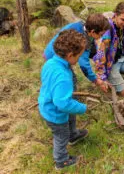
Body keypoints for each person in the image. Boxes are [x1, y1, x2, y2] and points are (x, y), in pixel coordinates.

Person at [38, 29, 88, 170]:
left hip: (48, 103)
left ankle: (73, 135)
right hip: (55, 113)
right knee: (61, 135)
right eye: (79, 55)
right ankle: (61, 160)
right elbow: (62, 104)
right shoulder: (62, 76)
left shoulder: (51, 63)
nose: (80, 58)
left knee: (71, 117)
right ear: (70, 55)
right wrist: (82, 108)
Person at [43, 13, 110, 92]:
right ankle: (69, 99)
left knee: (69, 78)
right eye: (101, 34)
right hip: (54, 56)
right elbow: (84, 64)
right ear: (93, 32)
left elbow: (92, 52)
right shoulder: (83, 39)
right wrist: (95, 80)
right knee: (69, 80)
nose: (101, 37)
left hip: (58, 54)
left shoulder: (81, 26)